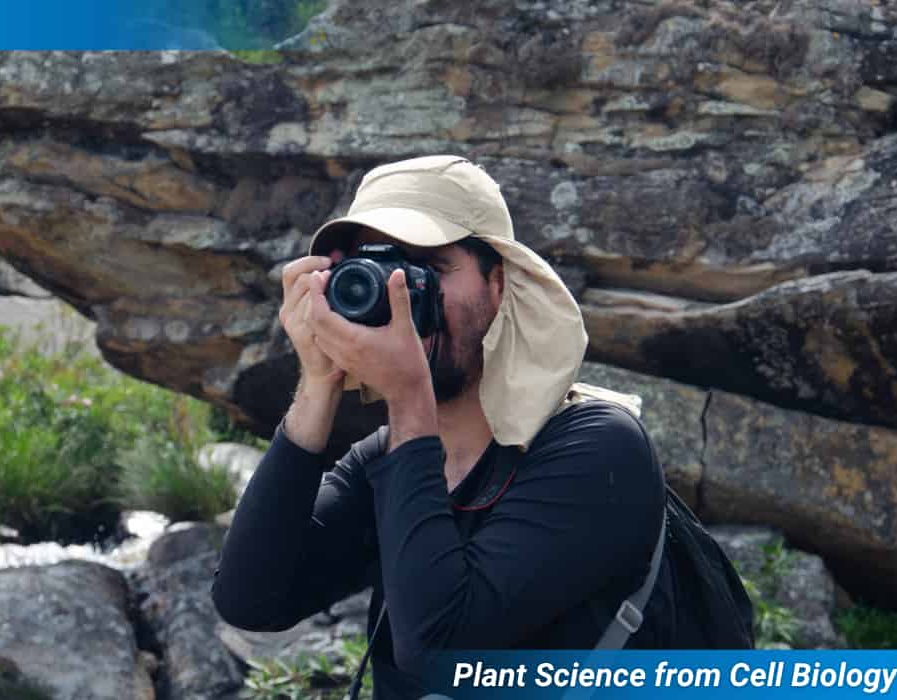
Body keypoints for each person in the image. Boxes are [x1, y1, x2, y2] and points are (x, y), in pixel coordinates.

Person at [211, 155, 670, 698]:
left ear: (498, 285)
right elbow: (249, 599)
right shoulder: (384, 458)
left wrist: (409, 396)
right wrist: (318, 381)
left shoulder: (596, 447)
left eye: (429, 267)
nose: (400, 294)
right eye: (377, 271)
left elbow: (439, 650)